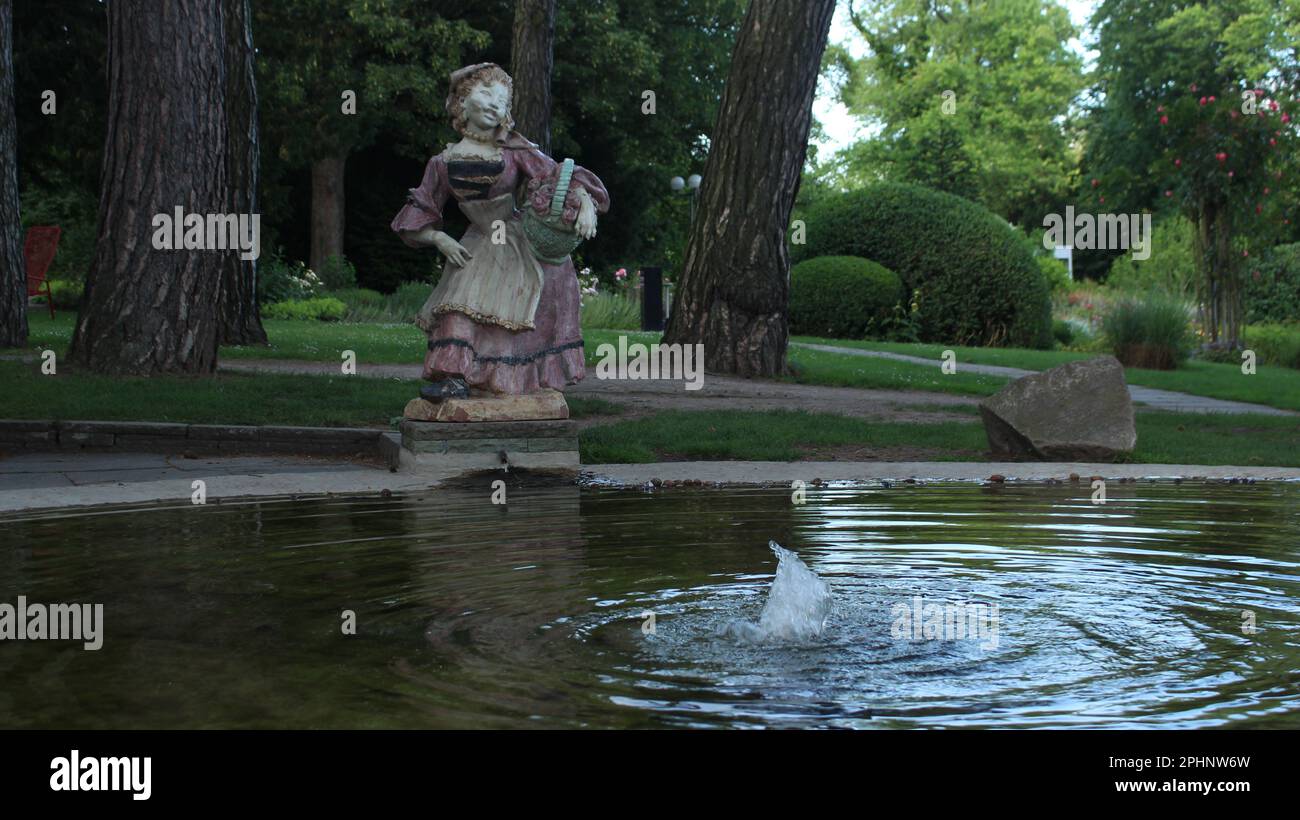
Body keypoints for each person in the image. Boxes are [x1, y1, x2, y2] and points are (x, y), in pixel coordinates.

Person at [391, 63, 610, 399]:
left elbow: (558, 174)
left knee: (515, 305)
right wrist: (438, 237)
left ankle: (513, 383)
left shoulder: (514, 150)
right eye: (486, 94)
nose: (495, 104)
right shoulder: (442, 162)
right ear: (461, 102)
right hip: (475, 241)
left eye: (502, 100)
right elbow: (418, 213)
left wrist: (582, 198)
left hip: (515, 237)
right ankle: (455, 379)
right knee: (458, 303)